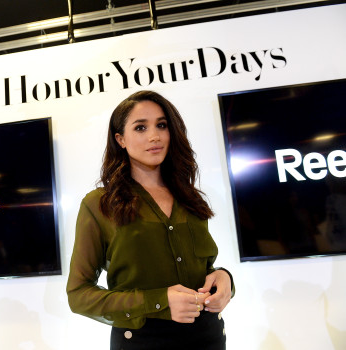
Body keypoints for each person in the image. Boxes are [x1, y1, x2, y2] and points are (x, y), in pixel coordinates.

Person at [66, 90, 235, 350]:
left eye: (161, 125)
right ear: (120, 139)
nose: (154, 136)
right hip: (143, 341)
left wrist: (224, 279)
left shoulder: (189, 198)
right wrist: (159, 300)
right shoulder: (100, 204)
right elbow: (79, 295)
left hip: (208, 337)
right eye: (141, 127)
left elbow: (199, 268)